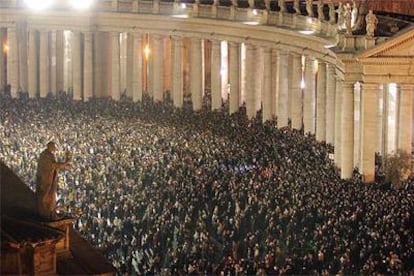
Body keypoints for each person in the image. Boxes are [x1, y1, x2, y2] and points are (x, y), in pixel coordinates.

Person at [35, 141, 71, 220]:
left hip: (48, 179)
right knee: (47, 196)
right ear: (50, 147)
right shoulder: (46, 155)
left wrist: (64, 164)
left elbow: (54, 166)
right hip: (46, 181)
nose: (55, 149)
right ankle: (46, 214)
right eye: (54, 147)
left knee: (49, 197)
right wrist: (65, 163)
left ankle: (49, 212)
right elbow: (53, 165)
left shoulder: (47, 154)